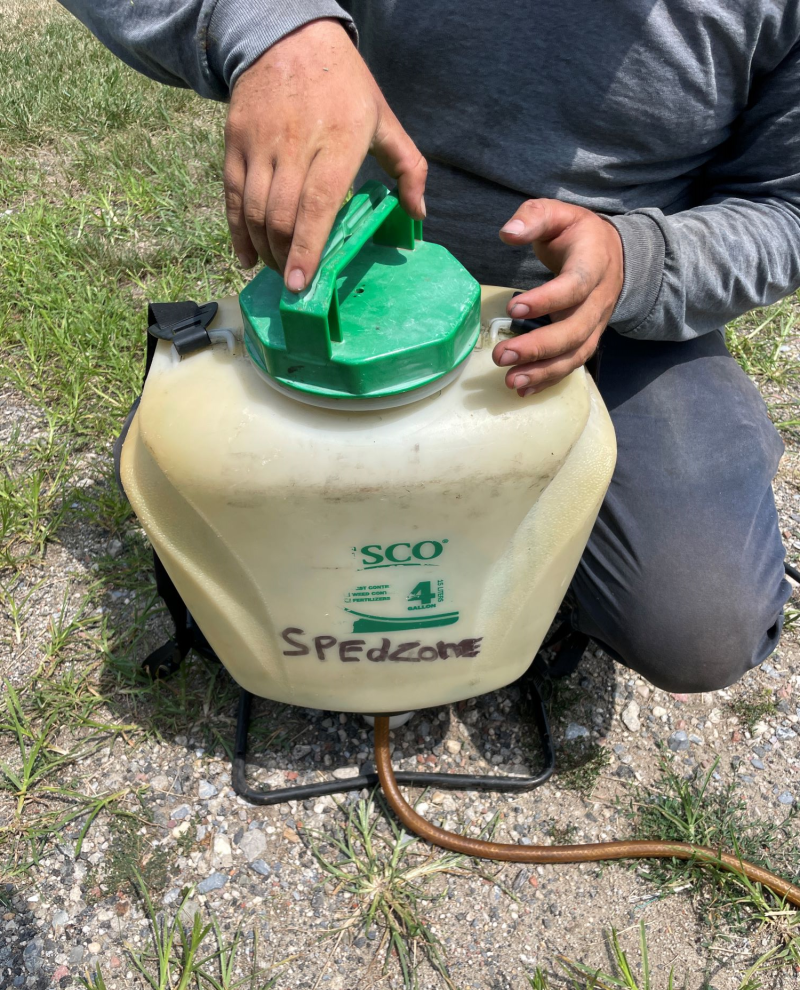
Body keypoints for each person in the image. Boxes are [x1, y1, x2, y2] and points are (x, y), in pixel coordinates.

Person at [59, 0, 800, 693]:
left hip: (613, 307)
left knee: (700, 618)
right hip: (370, 281)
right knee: (204, 478)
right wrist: (268, 27)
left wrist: (639, 263)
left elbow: (786, 207)